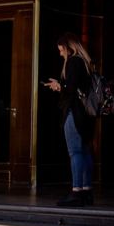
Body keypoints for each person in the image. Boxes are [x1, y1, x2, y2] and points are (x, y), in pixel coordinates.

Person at [42, 33, 95, 207]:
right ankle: (86, 191)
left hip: (74, 112)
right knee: (85, 151)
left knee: (75, 152)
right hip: (87, 114)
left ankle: (76, 191)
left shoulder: (73, 62)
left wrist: (59, 86)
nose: (60, 54)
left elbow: (70, 89)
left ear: (68, 48)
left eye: (61, 50)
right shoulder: (85, 63)